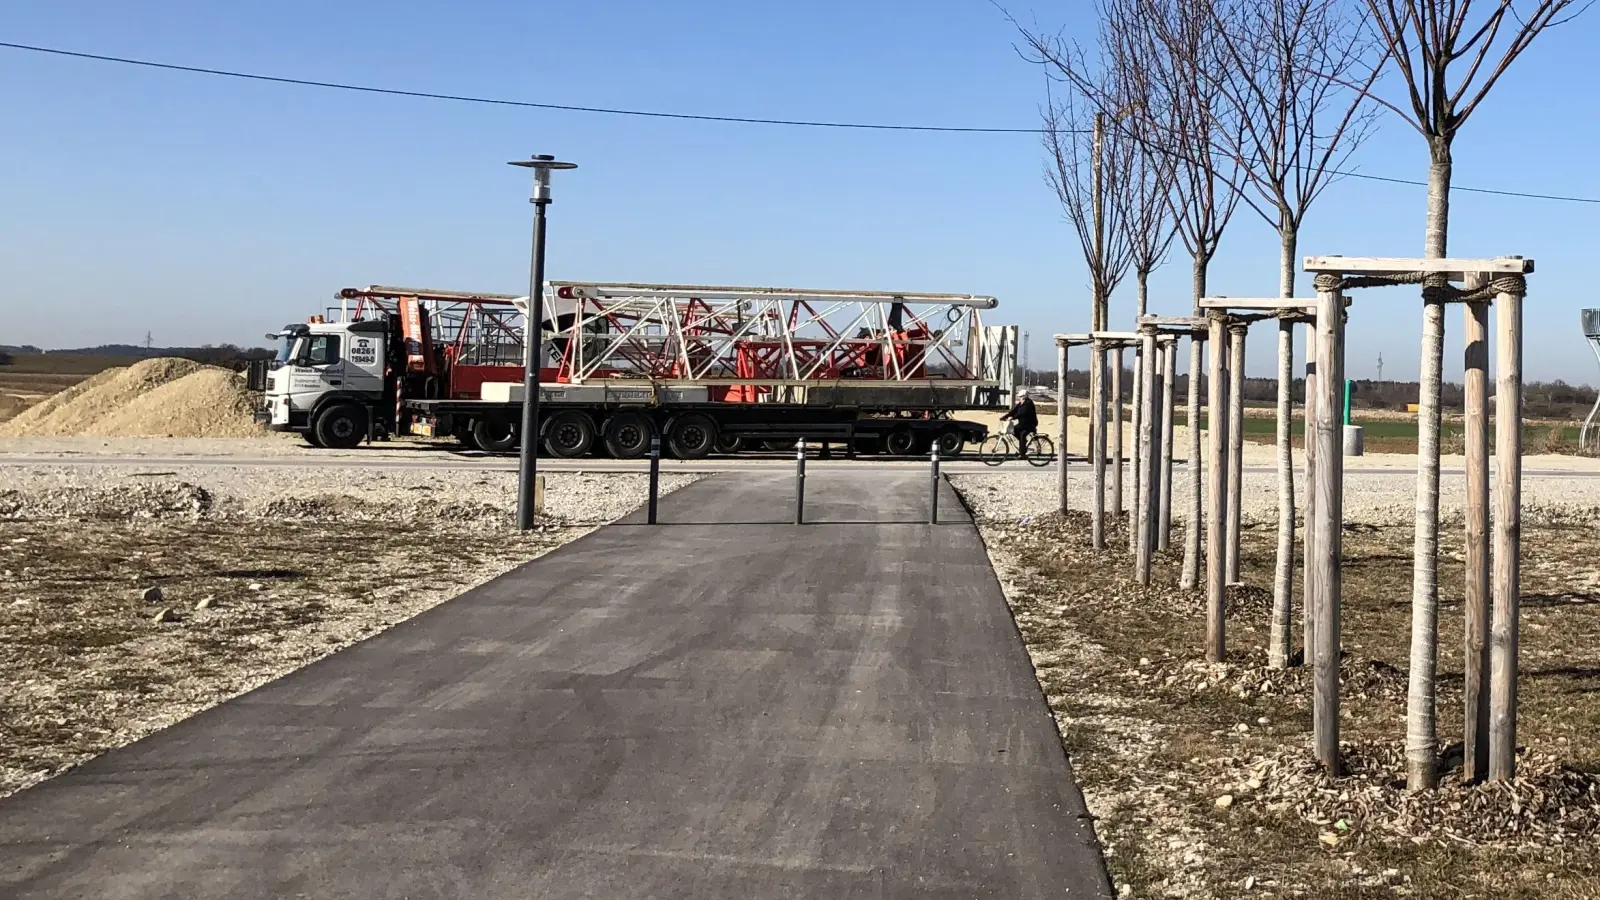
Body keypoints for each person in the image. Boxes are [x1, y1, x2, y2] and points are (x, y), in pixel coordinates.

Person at [999, 391, 1039, 456]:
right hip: (1023, 424)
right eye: (1019, 396)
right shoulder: (1021, 403)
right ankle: (1023, 445)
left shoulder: (1028, 403)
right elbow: (1014, 411)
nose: (1019, 398)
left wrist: (1013, 417)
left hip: (1030, 424)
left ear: (1025, 396)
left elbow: (1022, 413)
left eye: (1020, 396)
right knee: (1013, 430)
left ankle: (1022, 453)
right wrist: (1005, 417)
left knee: (1022, 435)